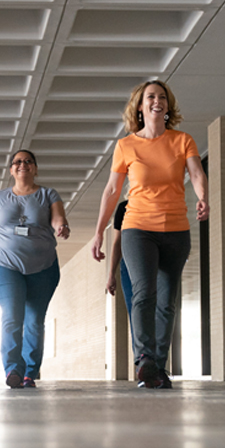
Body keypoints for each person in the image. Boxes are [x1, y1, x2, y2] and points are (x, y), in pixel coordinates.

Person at [91, 81, 208, 390]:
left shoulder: (182, 140)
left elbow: (196, 172)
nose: (157, 101)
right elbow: (113, 190)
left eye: (162, 97)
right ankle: (144, 359)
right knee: (144, 294)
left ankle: (158, 365)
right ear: (140, 107)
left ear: (168, 106)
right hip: (138, 228)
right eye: (150, 97)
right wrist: (98, 232)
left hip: (176, 229)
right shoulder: (126, 145)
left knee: (168, 302)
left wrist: (203, 197)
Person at [0, 150, 70, 389]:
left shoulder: (48, 194)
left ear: (35, 168)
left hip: (43, 267)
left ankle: (29, 372)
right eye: (17, 162)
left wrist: (61, 227)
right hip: (4, 265)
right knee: (12, 315)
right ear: (11, 170)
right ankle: (13, 369)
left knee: (34, 321)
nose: (22, 165)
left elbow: (57, 219)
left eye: (28, 161)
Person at [105, 199, 142, 384]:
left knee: (161, 309)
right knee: (136, 313)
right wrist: (111, 274)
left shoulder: (164, 200)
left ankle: (157, 363)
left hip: (157, 262)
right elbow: (117, 242)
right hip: (129, 265)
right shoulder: (124, 208)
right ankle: (143, 365)